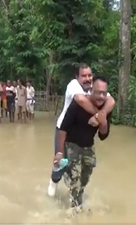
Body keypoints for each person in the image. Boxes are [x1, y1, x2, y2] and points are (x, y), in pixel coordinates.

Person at [48, 63, 115, 197]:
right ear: (77, 77)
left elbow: (111, 101)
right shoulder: (74, 86)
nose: (87, 78)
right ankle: (53, 182)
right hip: (64, 129)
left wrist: (101, 117)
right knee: (61, 163)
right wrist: (99, 115)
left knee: (80, 171)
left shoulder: (95, 90)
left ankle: (75, 189)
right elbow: (81, 100)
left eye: (90, 75)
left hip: (82, 136)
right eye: (83, 76)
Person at [55, 76, 111, 213]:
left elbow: (103, 135)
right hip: (72, 144)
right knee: (76, 178)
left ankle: (75, 189)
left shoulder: (104, 108)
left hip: (88, 146)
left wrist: (102, 120)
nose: (101, 96)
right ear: (92, 90)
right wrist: (60, 152)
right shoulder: (78, 105)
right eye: (98, 92)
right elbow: (63, 128)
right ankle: (75, 211)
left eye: (104, 93)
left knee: (85, 176)